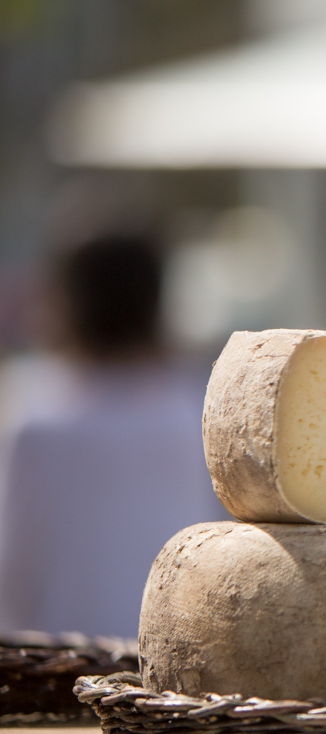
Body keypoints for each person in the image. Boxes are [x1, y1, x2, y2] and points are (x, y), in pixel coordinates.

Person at [0, 234, 226, 639]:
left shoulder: (36, 417)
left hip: (62, 661)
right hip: (175, 656)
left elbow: (13, 566)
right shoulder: (201, 409)